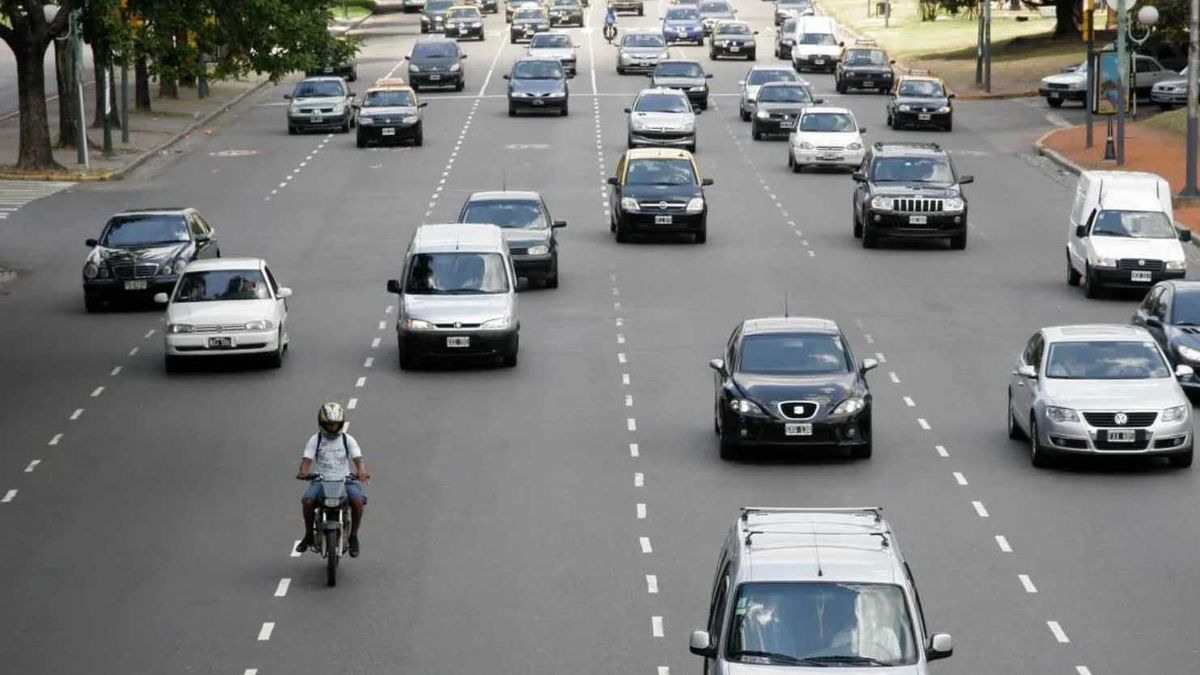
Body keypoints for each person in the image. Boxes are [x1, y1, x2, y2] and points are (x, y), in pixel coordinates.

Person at [296, 402, 370, 557]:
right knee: (307, 501)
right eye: (329, 425)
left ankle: (354, 537)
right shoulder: (315, 440)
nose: (332, 428)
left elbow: (358, 459)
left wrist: (362, 471)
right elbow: (306, 461)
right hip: (320, 481)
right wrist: (303, 472)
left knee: (357, 502)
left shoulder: (348, 440)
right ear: (322, 424)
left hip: (345, 480)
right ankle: (309, 534)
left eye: (335, 425)